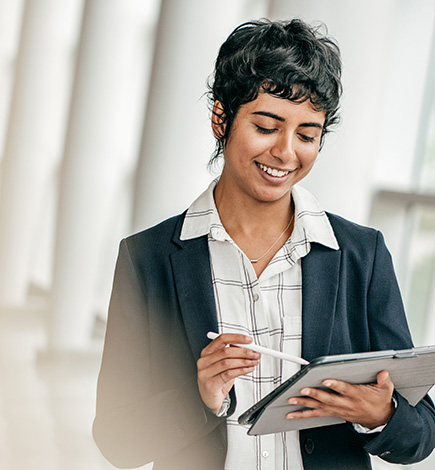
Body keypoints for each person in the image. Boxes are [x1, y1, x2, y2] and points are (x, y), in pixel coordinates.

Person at [92, 19, 435, 470]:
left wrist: (381, 416)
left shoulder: (360, 255)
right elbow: (116, 440)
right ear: (221, 118)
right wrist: (201, 397)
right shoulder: (149, 260)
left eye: (308, 135)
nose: (286, 152)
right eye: (267, 126)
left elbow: (421, 434)